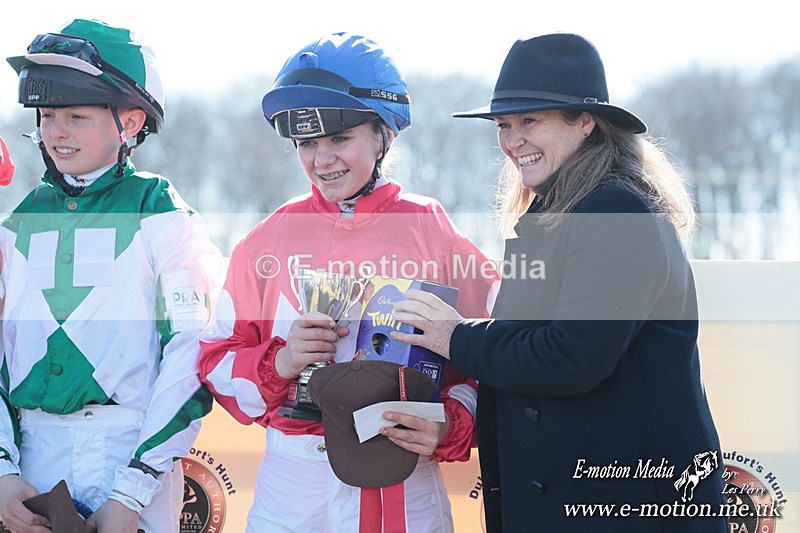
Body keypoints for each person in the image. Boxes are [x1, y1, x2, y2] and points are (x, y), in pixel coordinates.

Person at [391, 33, 727, 532]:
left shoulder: (617, 209)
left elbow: (571, 356)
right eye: (504, 125)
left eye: (530, 120)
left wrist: (457, 336)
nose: (511, 140)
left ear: (586, 122)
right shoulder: (559, 214)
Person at [198, 32, 498, 532]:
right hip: (293, 492)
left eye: (340, 138)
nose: (322, 160)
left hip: (402, 478)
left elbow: (494, 353)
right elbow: (214, 360)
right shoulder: (266, 240)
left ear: (384, 135)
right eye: (307, 143)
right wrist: (284, 360)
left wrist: (450, 421)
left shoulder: (430, 228)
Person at [0, 19, 223, 533]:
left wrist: (133, 490)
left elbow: (191, 354)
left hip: (130, 457)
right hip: (31, 463)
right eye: (48, 115)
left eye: (77, 116)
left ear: (130, 120)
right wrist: (5, 472)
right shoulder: (18, 223)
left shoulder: (163, 214)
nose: (56, 132)